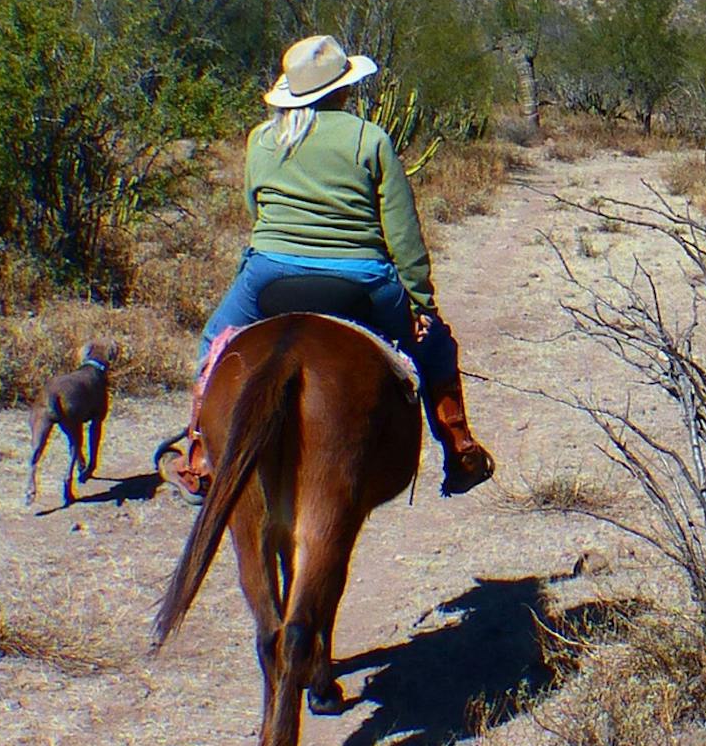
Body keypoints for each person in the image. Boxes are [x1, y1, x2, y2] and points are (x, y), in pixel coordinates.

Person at [182, 34, 493, 496]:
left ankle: (200, 456)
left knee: (214, 342)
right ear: (343, 89)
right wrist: (421, 303)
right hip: (361, 279)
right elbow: (403, 234)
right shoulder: (370, 139)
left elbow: (256, 209)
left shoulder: (262, 138)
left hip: (270, 275)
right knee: (434, 346)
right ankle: (459, 450)